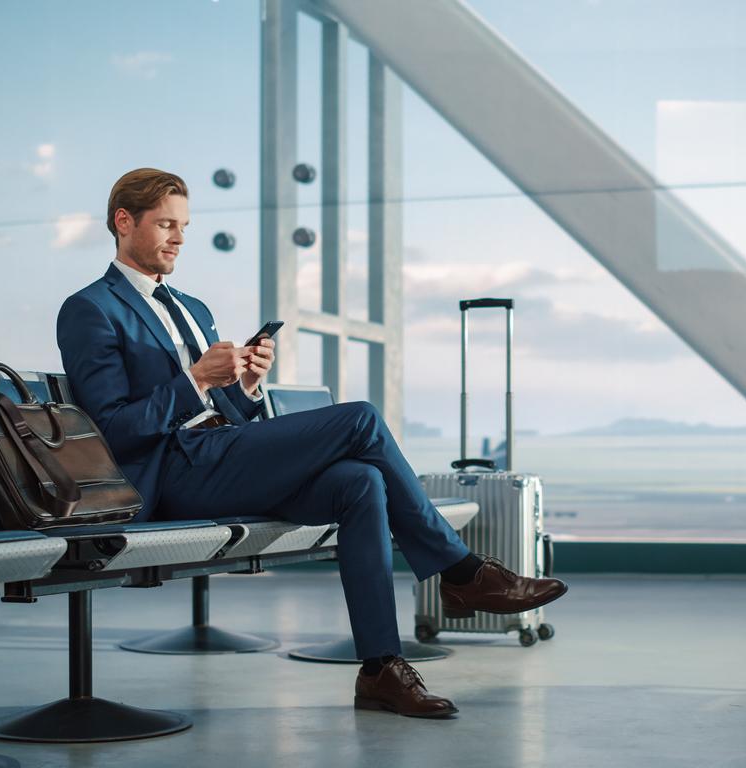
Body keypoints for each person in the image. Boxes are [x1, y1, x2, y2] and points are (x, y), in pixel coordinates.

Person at [57, 168, 567, 718]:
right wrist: (198, 379)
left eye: (184, 226)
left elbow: (225, 412)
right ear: (123, 222)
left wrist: (246, 385)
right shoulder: (90, 309)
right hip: (171, 475)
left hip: (221, 455)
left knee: (361, 482)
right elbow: (111, 429)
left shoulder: (191, 307)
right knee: (361, 420)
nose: (179, 238)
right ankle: (462, 573)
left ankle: (380, 670)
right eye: (165, 225)